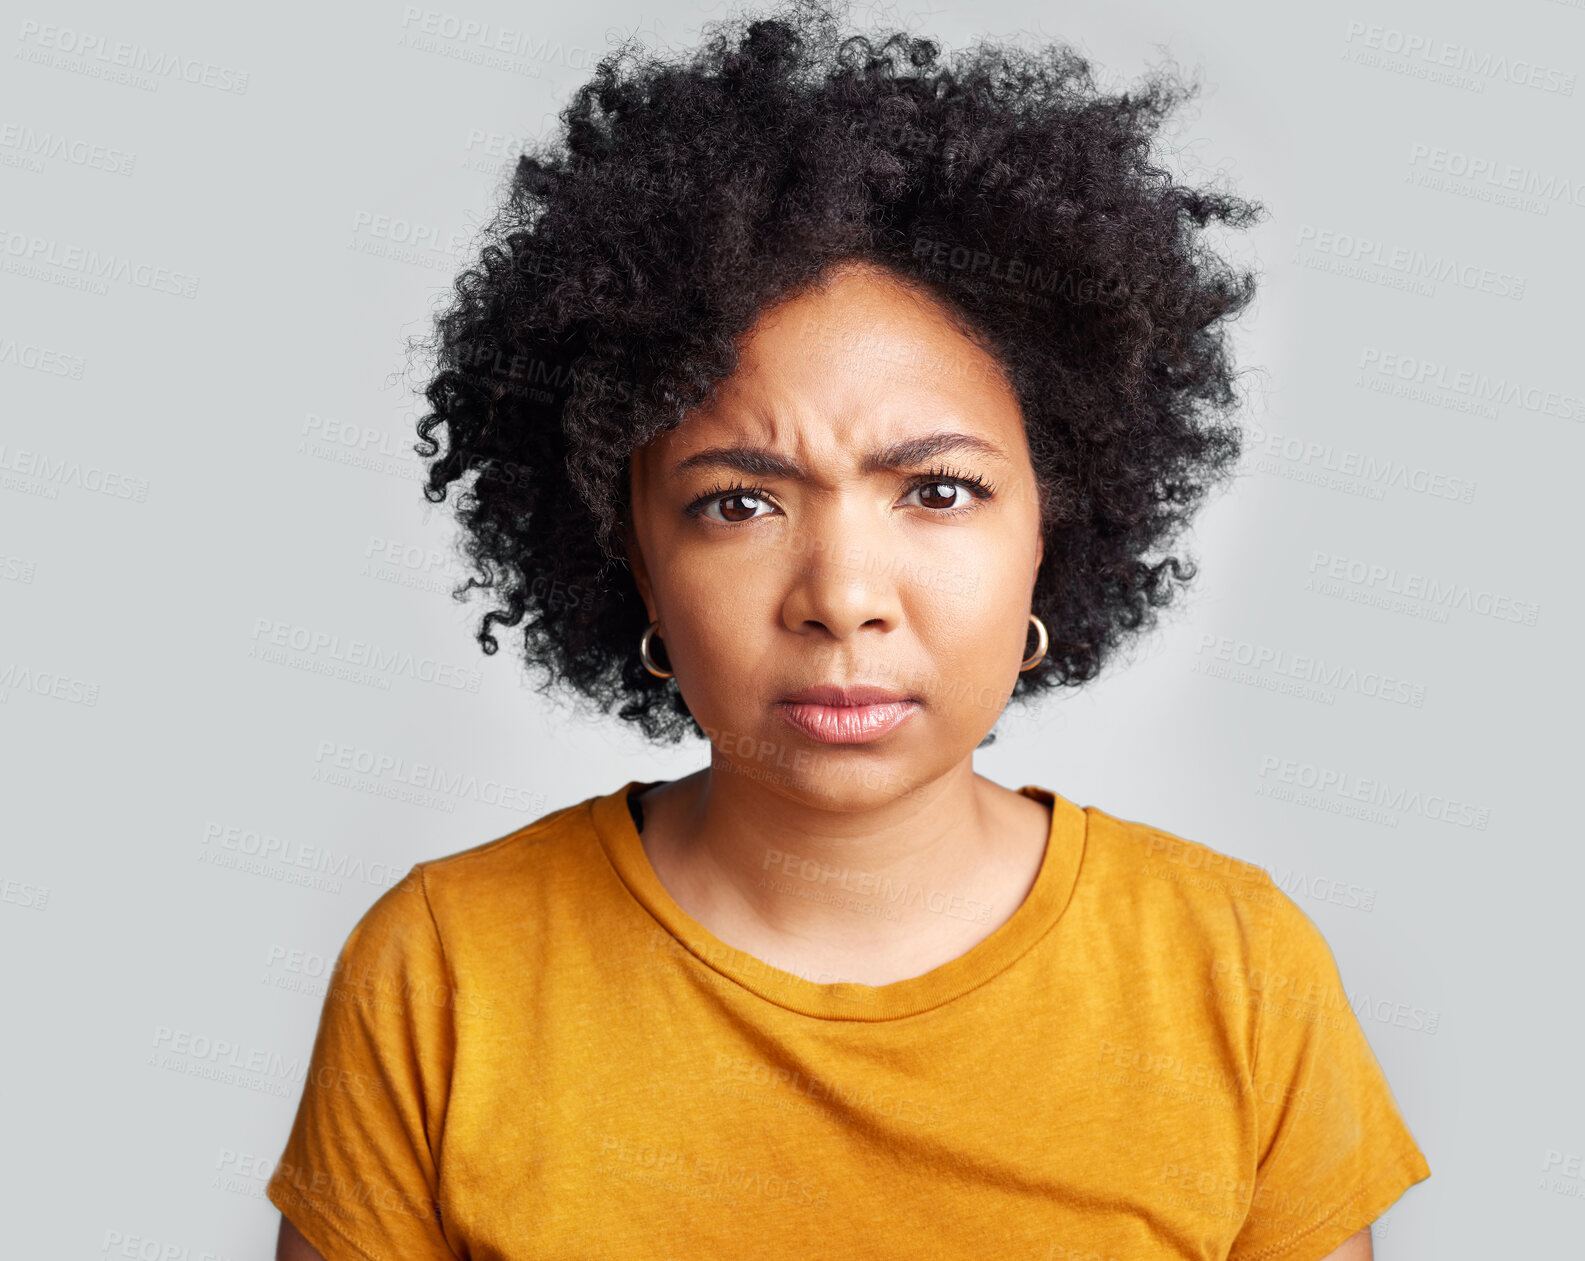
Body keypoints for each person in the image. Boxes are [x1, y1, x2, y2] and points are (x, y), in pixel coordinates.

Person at [268, 2, 1429, 1256]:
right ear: (634, 560)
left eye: (938, 491)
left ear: (1057, 523)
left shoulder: (1233, 968)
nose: (841, 594)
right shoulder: (446, 973)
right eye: (738, 502)